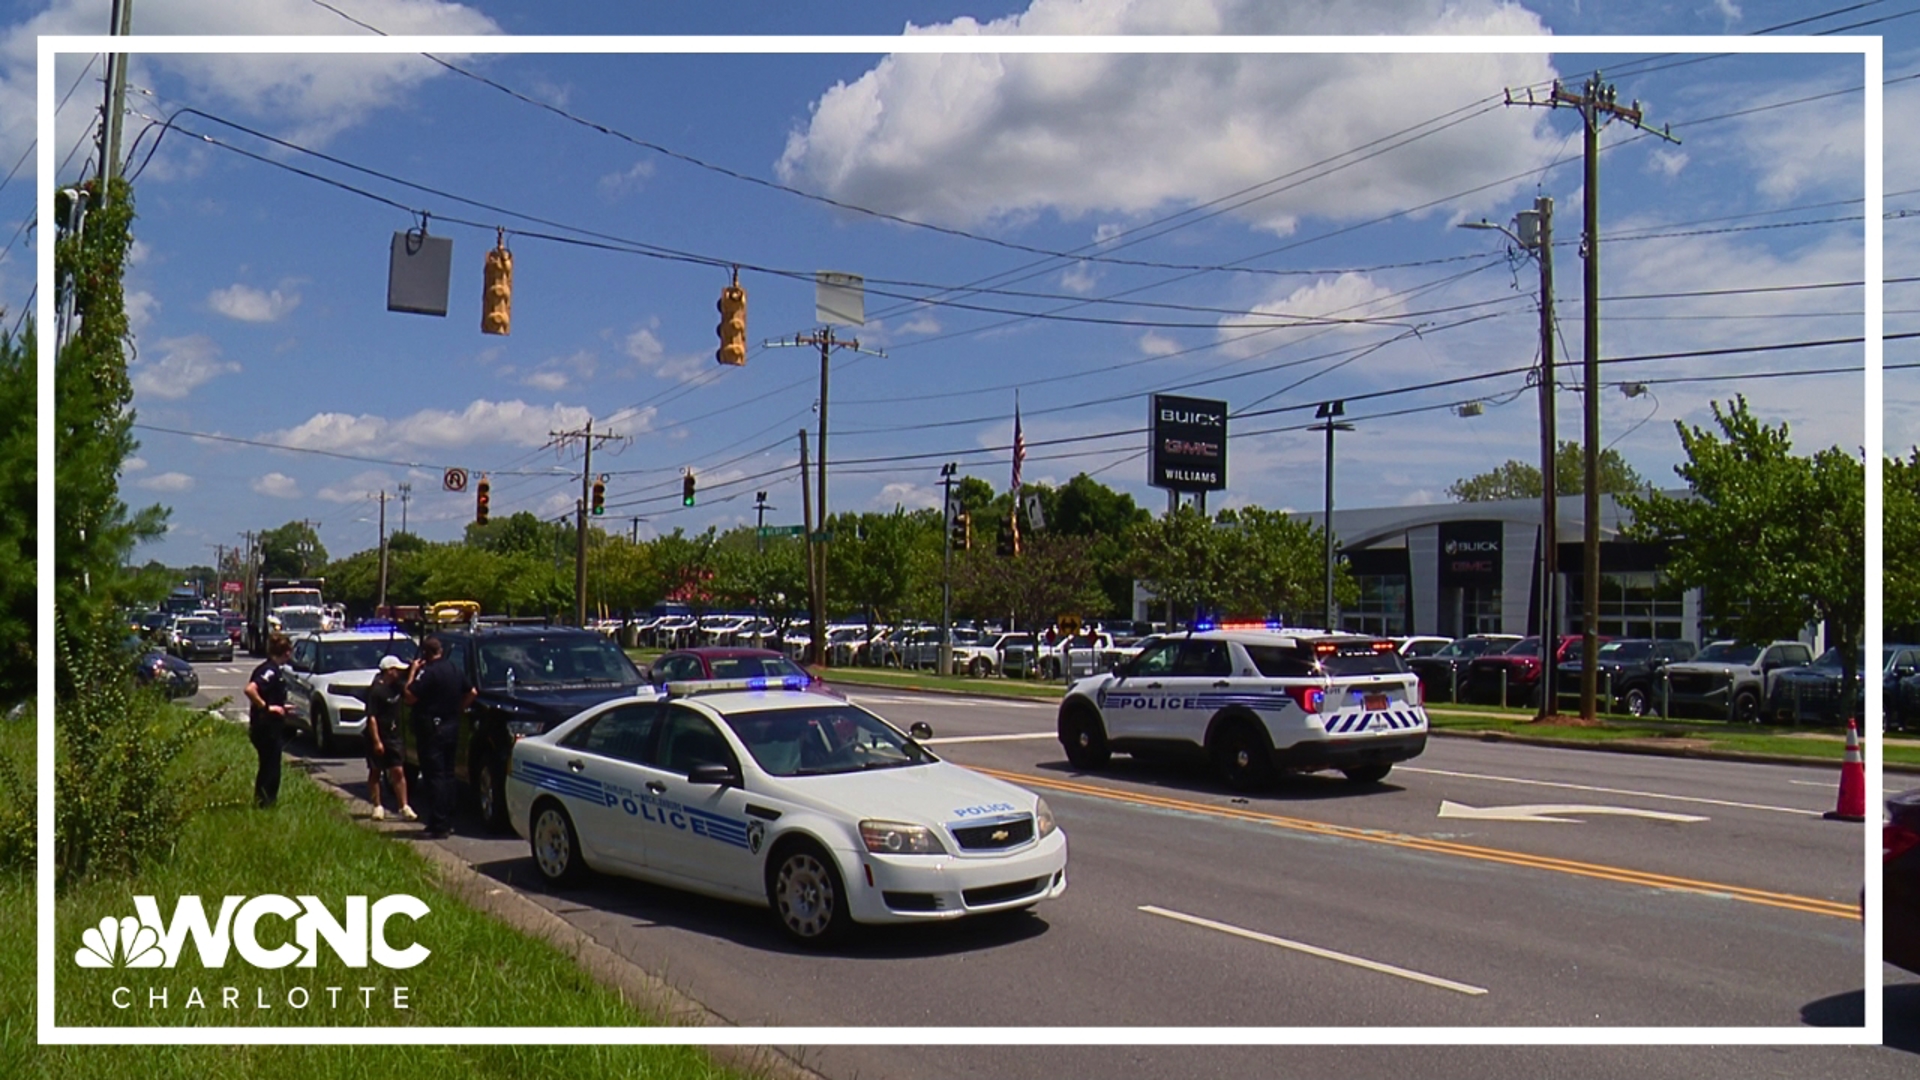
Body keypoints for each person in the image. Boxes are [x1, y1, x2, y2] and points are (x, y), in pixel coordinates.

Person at [404, 636, 474, 839]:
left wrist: (412, 672)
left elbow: (409, 696)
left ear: (425, 653)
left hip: (431, 730)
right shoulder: (453, 668)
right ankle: (449, 820)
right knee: (448, 775)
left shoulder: (428, 672)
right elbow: (472, 692)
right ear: (441, 651)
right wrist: (457, 710)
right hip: (451, 726)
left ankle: (438, 823)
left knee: (434, 777)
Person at [243, 633, 294, 809]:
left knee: (269, 766)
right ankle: (265, 803)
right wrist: (267, 708)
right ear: (286, 652)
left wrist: (281, 707)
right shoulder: (270, 670)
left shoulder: (272, 669)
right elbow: (250, 690)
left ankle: (263, 802)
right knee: (270, 769)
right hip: (266, 727)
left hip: (270, 726)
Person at [364, 655, 416, 822]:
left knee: (398, 770)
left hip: (394, 735)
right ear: (390, 671)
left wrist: (413, 670)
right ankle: (377, 806)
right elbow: (371, 717)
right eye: (397, 670)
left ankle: (404, 805)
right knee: (376, 771)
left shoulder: (397, 687)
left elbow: (409, 694)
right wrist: (377, 741)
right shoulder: (375, 690)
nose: (399, 673)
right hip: (379, 734)